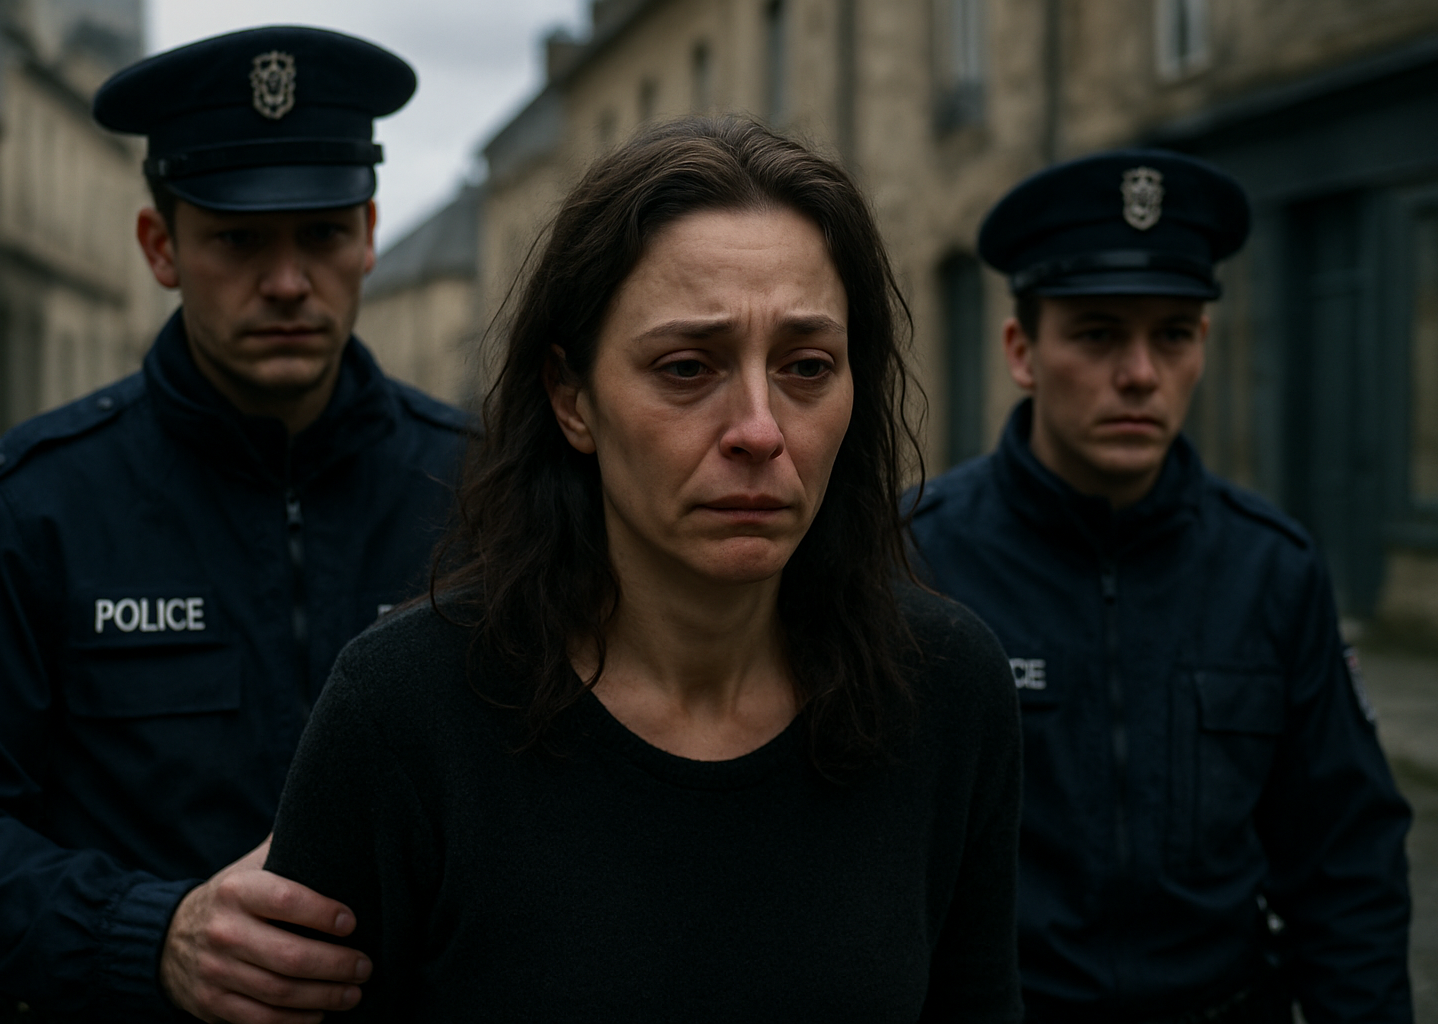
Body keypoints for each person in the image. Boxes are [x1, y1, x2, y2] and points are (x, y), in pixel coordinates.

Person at [260, 116, 1023, 1022]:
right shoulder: (404, 712)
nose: (760, 429)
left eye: (807, 365)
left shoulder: (944, 688)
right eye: (687, 367)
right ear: (571, 397)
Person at [0, 26, 469, 1024]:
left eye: (325, 233)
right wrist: (146, 934)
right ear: (161, 247)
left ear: (372, 233)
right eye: (239, 240)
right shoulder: (31, 502)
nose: (289, 281)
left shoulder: (482, 489)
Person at [907, 149, 1413, 1022]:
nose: (1140, 373)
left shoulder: (1272, 571)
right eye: (1099, 333)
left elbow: (1347, 872)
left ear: (1203, 346)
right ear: (1023, 350)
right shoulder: (920, 562)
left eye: (1172, 334)